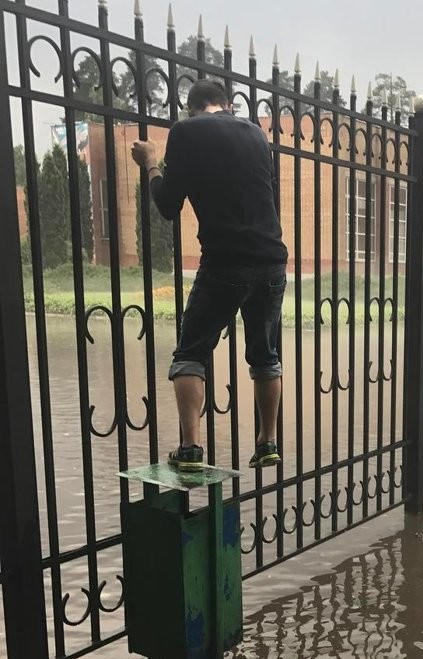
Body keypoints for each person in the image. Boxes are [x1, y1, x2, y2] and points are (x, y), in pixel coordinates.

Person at [131, 79, 288, 471]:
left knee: (191, 353)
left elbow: (168, 205)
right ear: (226, 104)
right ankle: (268, 441)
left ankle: (190, 449)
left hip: (225, 260)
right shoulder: (255, 133)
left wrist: (151, 161)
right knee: (265, 355)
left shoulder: (186, 131)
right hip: (272, 259)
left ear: (192, 107)